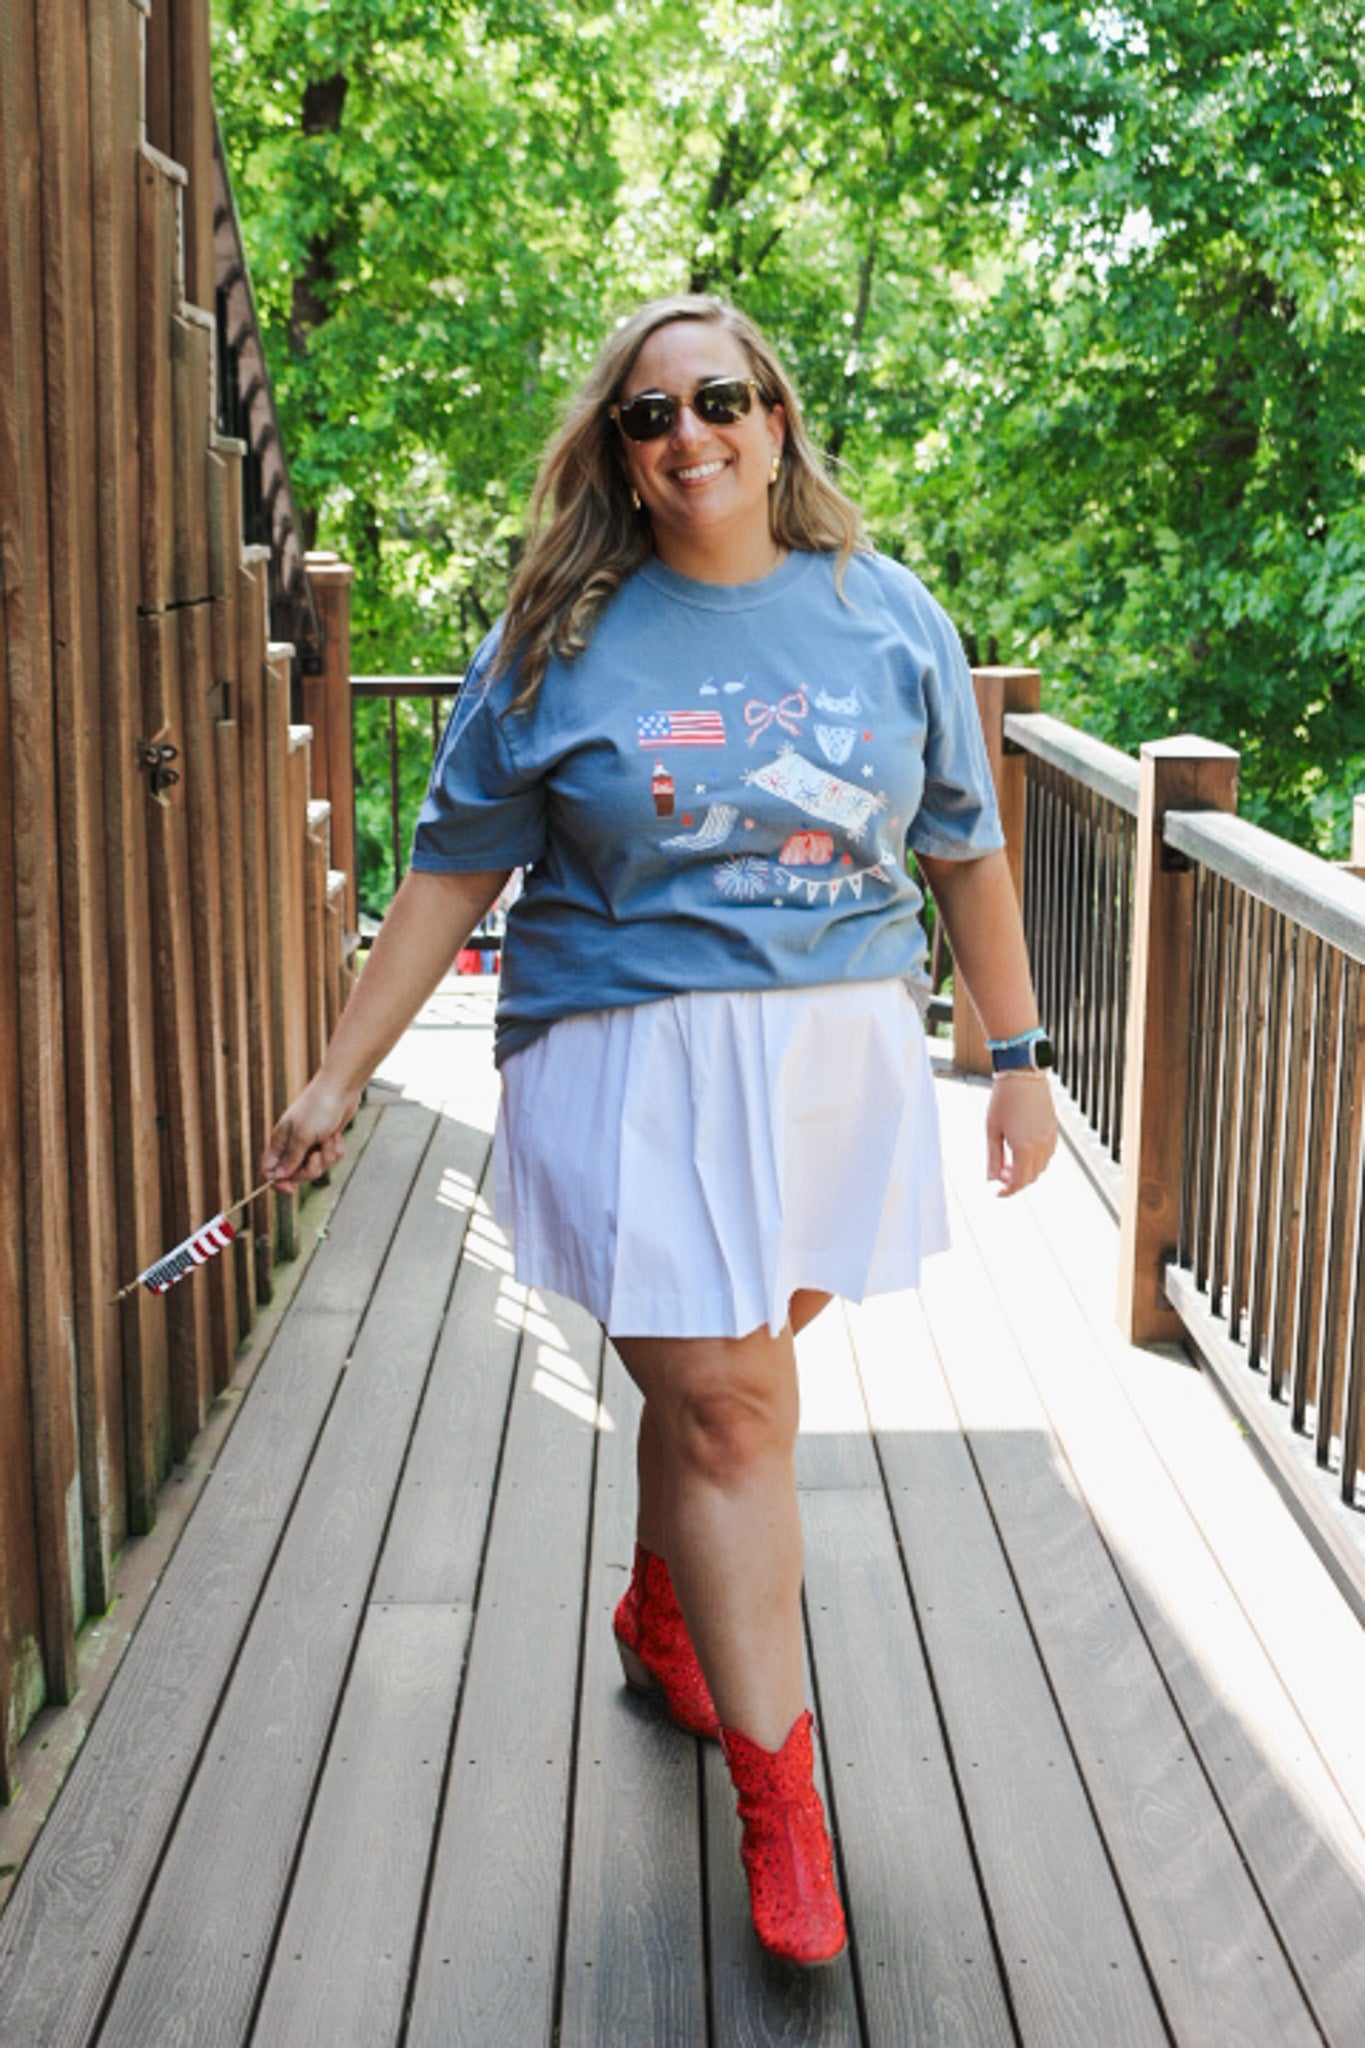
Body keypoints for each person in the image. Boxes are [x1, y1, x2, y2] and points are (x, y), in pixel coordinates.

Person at [263, 293, 1058, 1969]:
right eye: (648, 416)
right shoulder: (556, 638)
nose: (687, 434)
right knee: (728, 1409)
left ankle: (659, 1602)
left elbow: (964, 844)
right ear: (617, 457)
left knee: (723, 1384)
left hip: (833, 1061)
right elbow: (451, 871)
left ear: (775, 419)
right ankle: (786, 1813)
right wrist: (339, 1074)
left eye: (718, 400)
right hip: (622, 1054)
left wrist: (1020, 1053)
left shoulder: (882, 610)